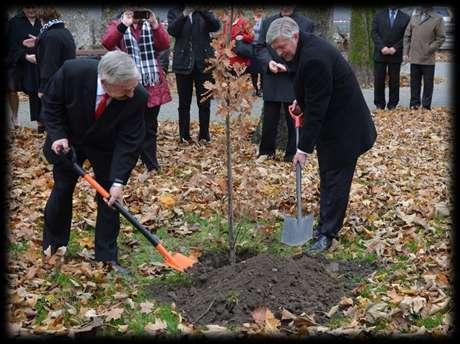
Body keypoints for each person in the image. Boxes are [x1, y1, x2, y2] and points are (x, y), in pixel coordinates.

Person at [265, 17, 377, 253]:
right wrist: (301, 102)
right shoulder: (304, 49)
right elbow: (313, 91)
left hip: (345, 128)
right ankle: (324, 226)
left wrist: (302, 149)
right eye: (275, 48)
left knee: (336, 180)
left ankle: (327, 235)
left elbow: (317, 109)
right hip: (332, 124)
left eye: (281, 46)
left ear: (294, 36)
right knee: (328, 176)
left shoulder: (314, 57)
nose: (279, 52)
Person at [41, 51, 148, 274]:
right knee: (62, 188)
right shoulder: (73, 72)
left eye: (132, 87)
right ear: (106, 82)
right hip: (69, 140)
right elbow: (51, 103)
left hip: (106, 146)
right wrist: (58, 134)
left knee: (110, 197)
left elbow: (130, 141)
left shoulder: (136, 96)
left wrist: (119, 181)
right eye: (125, 88)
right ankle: (54, 245)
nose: (131, 92)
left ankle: (107, 256)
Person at [101, 7, 172, 172]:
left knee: (150, 126)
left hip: (152, 82)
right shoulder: (118, 23)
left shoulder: (151, 24)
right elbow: (107, 42)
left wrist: (155, 23)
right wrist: (123, 25)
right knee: (127, 124)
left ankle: (151, 163)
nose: (137, 15)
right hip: (127, 83)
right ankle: (127, 160)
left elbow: (165, 44)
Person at [255, 6, 314, 162]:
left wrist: (289, 66)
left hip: (293, 77)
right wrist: (269, 62)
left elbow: (307, 51)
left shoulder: (305, 23)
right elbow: (259, 47)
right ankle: (266, 152)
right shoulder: (268, 21)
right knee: (269, 119)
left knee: (294, 118)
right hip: (272, 76)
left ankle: (292, 153)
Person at [167, 6, 220, 143]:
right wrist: (184, 14)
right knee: (184, 103)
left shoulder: (204, 11)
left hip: (204, 64)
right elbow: (172, 30)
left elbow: (216, 25)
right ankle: (184, 136)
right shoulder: (175, 10)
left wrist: (202, 10)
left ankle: (204, 136)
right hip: (182, 63)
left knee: (204, 102)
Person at [6, 6, 42, 129]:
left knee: (37, 88)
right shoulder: (14, 22)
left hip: (37, 61)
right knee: (11, 87)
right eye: (28, 8)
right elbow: (10, 46)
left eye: (34, 7)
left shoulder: (43, 20)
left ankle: (40, 121)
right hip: (18, 61)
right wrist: (25, 56)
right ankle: (15, 116)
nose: (31, 10)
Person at [403, 6, 446, 110]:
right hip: (414, 58)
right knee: (414, 83)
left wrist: (429, 48)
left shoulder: (437, 19)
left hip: (428, 59)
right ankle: (414, 105)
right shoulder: (414, 18)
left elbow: (441, 38)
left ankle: (426, 107)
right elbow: (407, 36)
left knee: (428, 85)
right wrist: (406, 53)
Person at [371, 6, 410, 110]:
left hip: (395, 54)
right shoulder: (378, 15)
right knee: (379, 80)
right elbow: (374, 33)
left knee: (394, 81)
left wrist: (395, 48)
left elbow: (406, 36)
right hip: (380, 54)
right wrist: (382, 47)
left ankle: (392, 105)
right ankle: (379, 104)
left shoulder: (405, 17)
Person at [249, 7, 264, 97]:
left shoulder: (264, 21)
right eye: (256, 10)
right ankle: (255, 89)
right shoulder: (251, 21)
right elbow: (246, 31)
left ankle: (262, 89)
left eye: (259, 10)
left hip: (261, 47)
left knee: (262, 70)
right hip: (252, 47)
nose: (257, 12)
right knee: (253, 70)